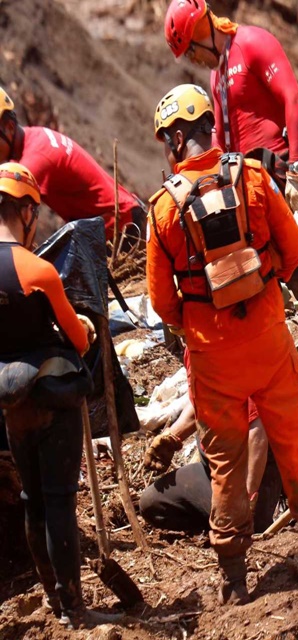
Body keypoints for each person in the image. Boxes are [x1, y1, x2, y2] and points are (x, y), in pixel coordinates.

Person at [146, 84, 298, 605]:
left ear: (176, 139)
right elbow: (296, 249)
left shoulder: (164, 209)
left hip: (212, 357)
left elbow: (162, 304)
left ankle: (235, 583)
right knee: (294, 443)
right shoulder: (252, 176)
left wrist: (199, 319)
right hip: (269, 339)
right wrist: (266, 273)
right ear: (211, 127)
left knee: (226, 465)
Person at [0, 162, 115, 628]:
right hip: (52, 399)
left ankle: (52, 597)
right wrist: (84, 324)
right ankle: (74, 609)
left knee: (32, 500)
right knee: (60, 500)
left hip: (13, 405)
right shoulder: (39, 270)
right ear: (27, 211)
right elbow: (80, 339)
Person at [164, 0, 298, 212]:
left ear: (200, 33)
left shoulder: (251, 43)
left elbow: (294, 99)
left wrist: (296, 169)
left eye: (190, 53)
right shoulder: (216, 75)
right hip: (250, 186)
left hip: (282, 176)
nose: (193, 61)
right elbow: (221, 142)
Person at [140, 353, 282, 534]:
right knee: (153, 503)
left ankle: (239, 524)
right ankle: (218, 524)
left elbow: (257, 429)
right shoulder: (194, 350)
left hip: (249, 476)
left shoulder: (234, 351)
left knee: (245, 529)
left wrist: (247, 496)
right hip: (212, 471)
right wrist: (172, 436)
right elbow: (199, 400)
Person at [0, 86, 145, 244]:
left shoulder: (34, 161)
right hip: (114, 221)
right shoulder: (33, 137)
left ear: (9, 128)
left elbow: (12, 221)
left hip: (122, 229)